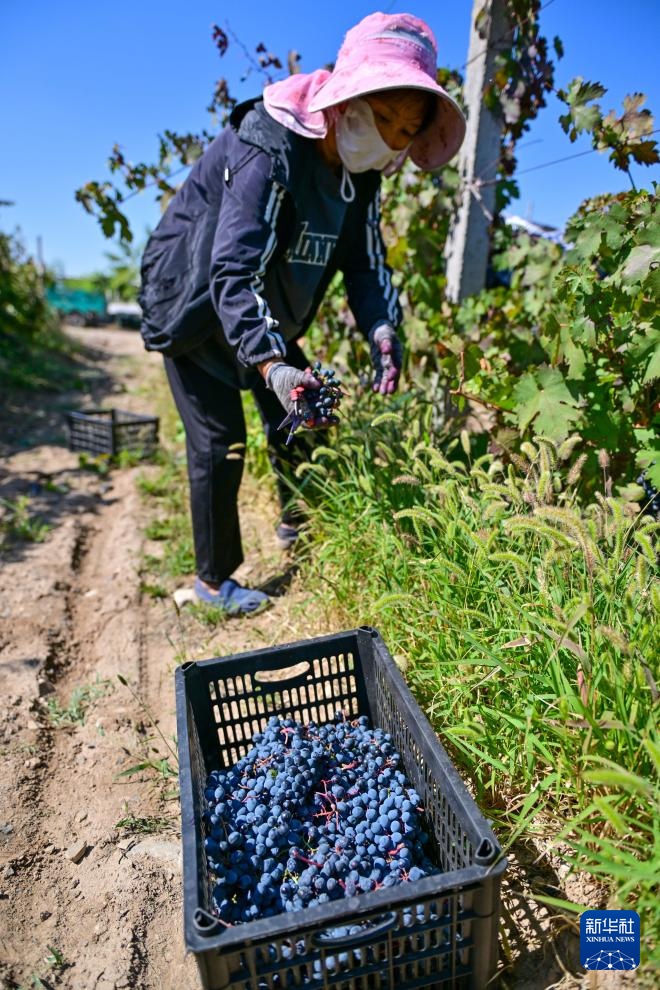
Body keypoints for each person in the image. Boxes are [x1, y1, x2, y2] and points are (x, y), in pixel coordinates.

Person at [139, 11, 465, 615]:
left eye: (406, 129)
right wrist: (273, 364)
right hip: (197, 307)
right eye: (384, 115)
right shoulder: (270, 142)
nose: (391, 137)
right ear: (348, 97)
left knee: (307, 413)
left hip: (264, 313)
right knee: (220, 442)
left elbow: (365, 264)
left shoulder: (361, 178)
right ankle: (213, 583)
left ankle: (299, 524)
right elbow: (233, 270)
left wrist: (382, 328)